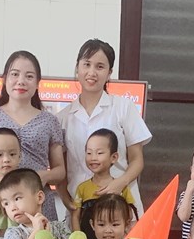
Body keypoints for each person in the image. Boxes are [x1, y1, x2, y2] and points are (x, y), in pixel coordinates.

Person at [57, 39, 152, 216]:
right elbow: (60, 167)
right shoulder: (62, 118)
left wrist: (120, 182)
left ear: (109, 73)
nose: (92, 72)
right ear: (77, 68)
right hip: (80, 206)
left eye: (100, 67)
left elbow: (137, 159)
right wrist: (65, 198)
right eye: (87, 64)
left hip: (119, 201)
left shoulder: (123, 107)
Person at [0, 51, 65, 224]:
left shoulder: (50, 121)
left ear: (38, 82)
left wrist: (43, 176)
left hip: (38, 203)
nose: (21, 81)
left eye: (29, 76)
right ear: (4, 79)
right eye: (15, 74)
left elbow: (60, 171)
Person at [0, 169, 70, 239]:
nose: (12, 208)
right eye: (6, 203)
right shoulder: (13, 233)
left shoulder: (60, 228)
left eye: (17, 199)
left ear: (39, 197)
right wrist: (36, 232)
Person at [73, 128, 134, 232]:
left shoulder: (121, 188)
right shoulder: (82, 188)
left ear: (113, 157)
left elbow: (130, 217)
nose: (93, 158)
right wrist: (79, 238)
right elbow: (75, 216)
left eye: (99, 153)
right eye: (89, 153)